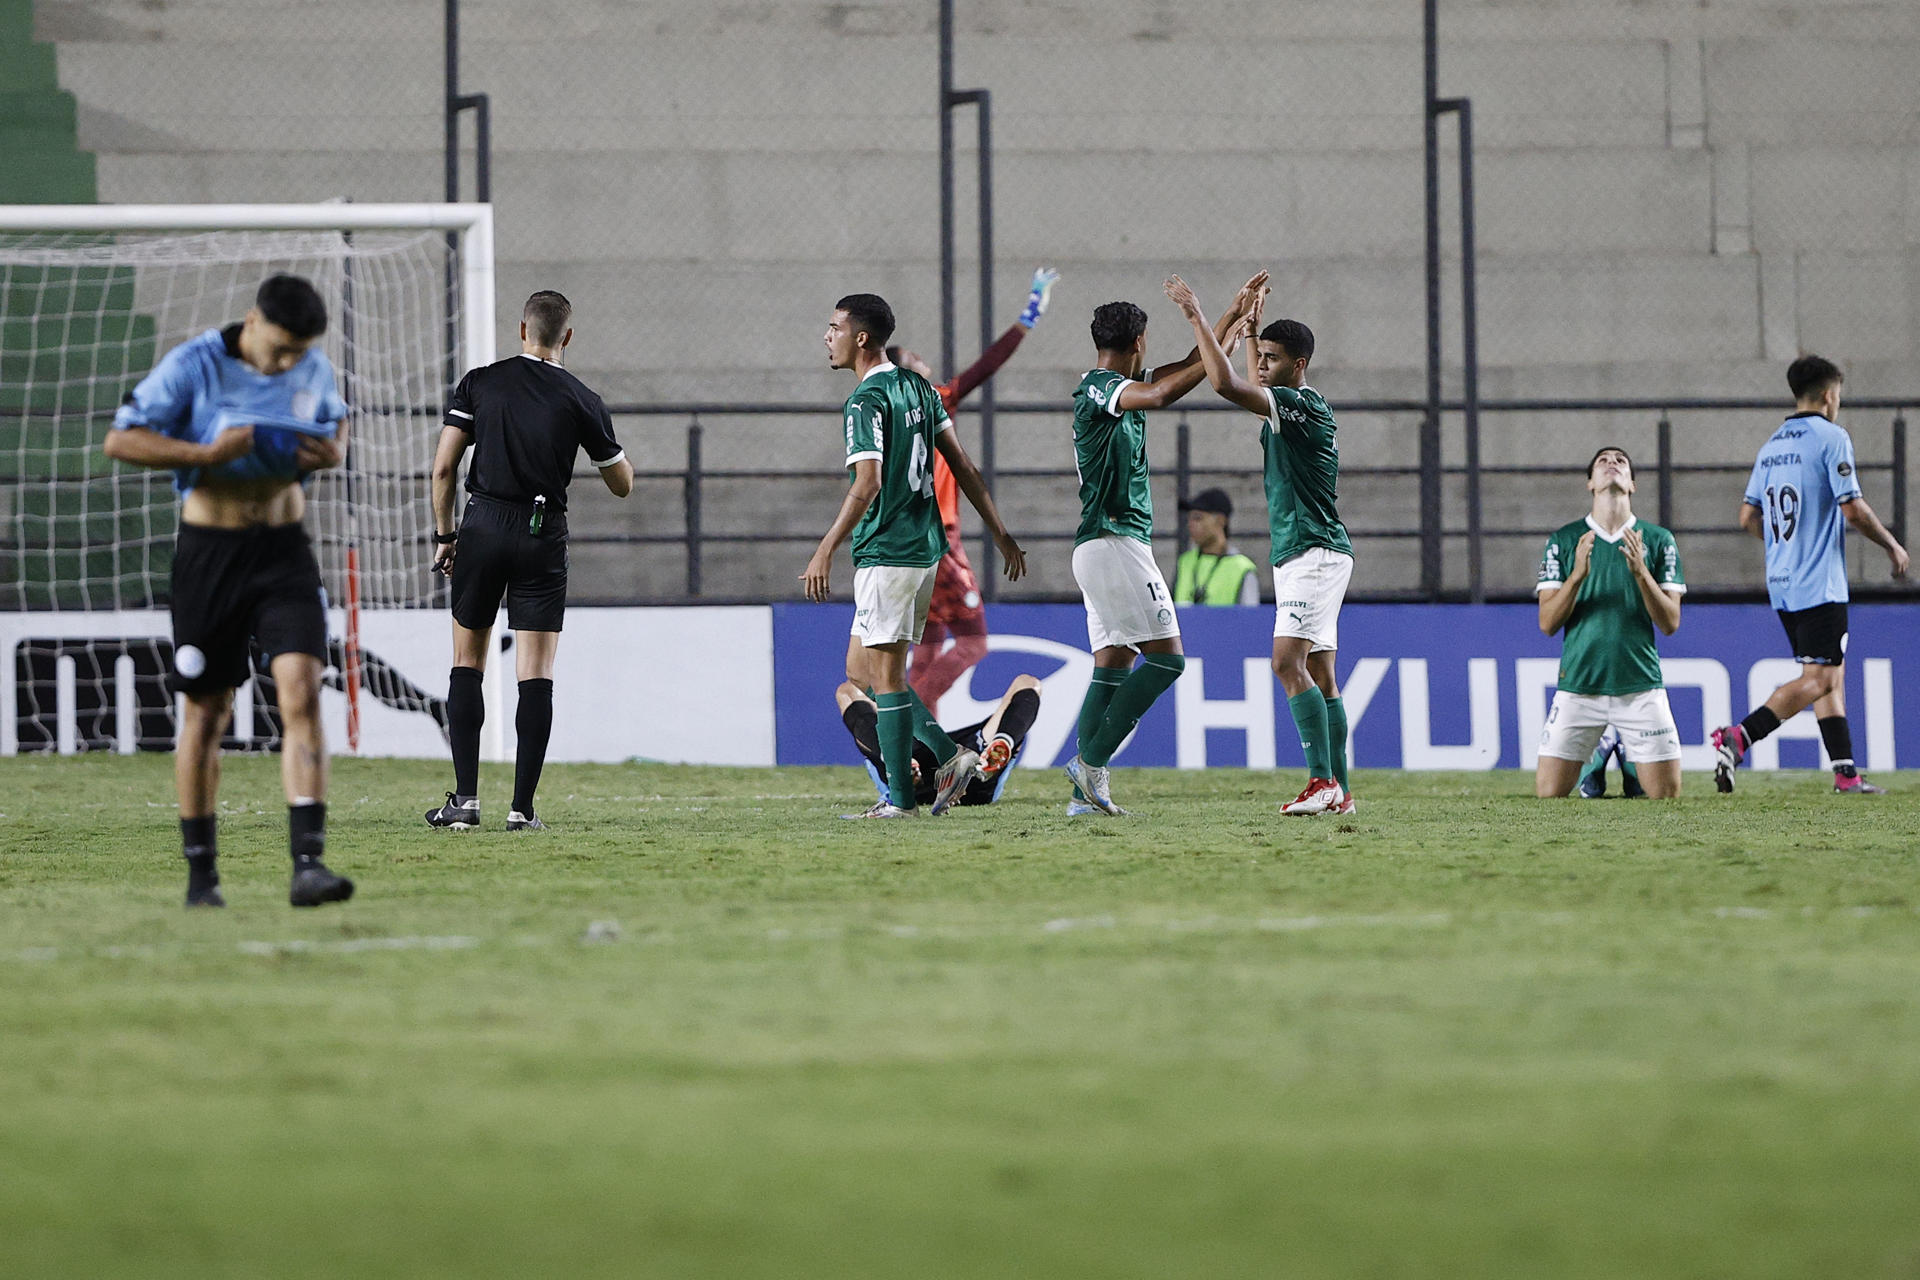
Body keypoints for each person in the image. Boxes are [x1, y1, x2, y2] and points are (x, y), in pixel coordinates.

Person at [102, 273, 356, 908]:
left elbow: (335, 429)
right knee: (207, 714)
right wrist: (207, 455)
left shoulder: (311, 366)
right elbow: (121, 439)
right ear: (252, 320)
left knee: (301, 690)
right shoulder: (192, 366)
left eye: (300, 351)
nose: (289, 361)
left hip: (284, 551)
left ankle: (308, 866)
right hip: (210, 557)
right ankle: (201, 876)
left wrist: (328, 454)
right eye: (281, 347)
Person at [803, 292, 1026, 819]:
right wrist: (999, 532)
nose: (826, 336)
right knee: (861, 671)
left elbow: (869, 481)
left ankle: (905, 799)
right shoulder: (920, 390)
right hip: (927, 551)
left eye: (833, 327)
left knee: (885, 680)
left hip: (888, 550)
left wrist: (824, 549)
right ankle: (948, 759)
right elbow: (964, 464)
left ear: (860, 337)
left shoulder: (865, 400)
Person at [424, 291, 635, 831]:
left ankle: (465, 804)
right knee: (535, 673)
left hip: (483, 525)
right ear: (567, 338)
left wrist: (446, 536)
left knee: (467, 662)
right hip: (542, 533)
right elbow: (622, 483)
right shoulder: (582, 399)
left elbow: (444, 468)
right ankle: (522, 809)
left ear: (522, 330)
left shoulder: (480, 382)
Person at [1061, 272, 1266, 817]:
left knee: (1113, 660)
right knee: (1168, 661)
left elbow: (1190, 370)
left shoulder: (1119, 384)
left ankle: (1087, 794)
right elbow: (1165, 393)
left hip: (1104, 547)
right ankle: (1089, 763)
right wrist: (1201, 317)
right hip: (1113, 541)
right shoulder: (1101, 387)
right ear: (1137, 343)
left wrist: (1229, 317)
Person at [1166, 274, 1354, 816]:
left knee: (1284, 662)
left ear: (1297, 365)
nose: (1264, 365)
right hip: (1313, 550)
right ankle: (1339, 791)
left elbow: (1227, 386)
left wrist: (1199, 317)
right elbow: (1251, 383)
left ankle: (1322, 782)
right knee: (1320, 672)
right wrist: (1249, 330)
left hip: (1312, 551)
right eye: (1263, 356)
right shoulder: (1292, 402)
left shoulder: (1301, 405)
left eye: (1273, 358)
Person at [1712, 355, 1909, 793]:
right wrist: (1892, 545)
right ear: (1828, 395)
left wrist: (1787, 544)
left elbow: (1747, 516)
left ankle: (1845, 774)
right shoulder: (1831, 437)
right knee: (1818, 678)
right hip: (1819, 582)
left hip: (1782, 583)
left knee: (1827, 675)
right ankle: (1739, 737)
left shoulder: (1772, 446)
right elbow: (1853, 508)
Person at [889, 267, 1059, 714]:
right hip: (940, 542)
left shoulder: (881, 417)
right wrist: (1030, 314)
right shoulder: (933, 399)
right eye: (917, 360)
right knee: (974, 642)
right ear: (908, 378)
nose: (926, 363)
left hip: (907, 546)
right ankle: (915, 707)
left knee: (929, 644)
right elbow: (988, 365)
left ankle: (919, 749)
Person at [1532, 447, 1687, 799]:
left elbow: (1670, 622)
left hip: (1640, 688)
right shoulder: (1565, 541)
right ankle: (1604, 744)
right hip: (1579, 688)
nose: (1611, 463)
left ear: (1631, 484)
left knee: (1667, 797)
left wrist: (1641, 572)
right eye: (1602, 461)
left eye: (1620, 461)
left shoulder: (1659, 540)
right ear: (1590, 483)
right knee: (1548, 794)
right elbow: (1547, 623)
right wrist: (1577, 577)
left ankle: (1625, 752)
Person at [838, 673, 1042, 810]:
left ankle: (896, 762)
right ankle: (1002, 741)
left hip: (913, 775)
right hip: (976, 769)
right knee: (1028, 683)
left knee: (849, 690)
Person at [1172, 488, 1261, 606]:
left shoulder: (1242, 568)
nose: (1190, 524)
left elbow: (1250, 620)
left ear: (1220, 520)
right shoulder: (1185, 562)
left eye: (1198, 518)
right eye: (1189, 519)